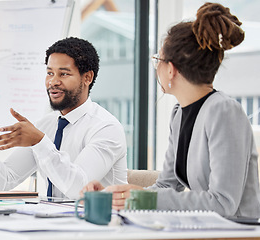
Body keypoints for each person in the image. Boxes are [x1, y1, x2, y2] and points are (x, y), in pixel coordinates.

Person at [82, 3, 260, 218]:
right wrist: (116, 197)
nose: (156, 67)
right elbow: (166, 186)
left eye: (158, 60)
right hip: (201, 227)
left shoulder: (224, 111)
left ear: (171, 69)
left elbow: (223, 203)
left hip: (236, 231)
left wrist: (143, 199)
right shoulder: (179, 113)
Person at [0, 37, 127, 199]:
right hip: (47, 226)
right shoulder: (47, 124)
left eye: (64, 74)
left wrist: (40, 142)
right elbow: (5, 180)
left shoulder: (106, 128)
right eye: (49, 73)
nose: (53, 82)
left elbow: (80, 189)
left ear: (87, 77)